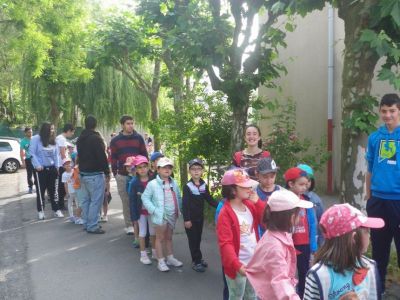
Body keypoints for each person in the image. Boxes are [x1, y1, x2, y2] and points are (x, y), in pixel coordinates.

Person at [304, 204, 384, 300]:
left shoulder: (369, 267)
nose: (370, 236)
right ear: (354, 238)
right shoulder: (319, 275)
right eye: (367, 231)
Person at [246, 189, 314, 300]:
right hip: (273, 295)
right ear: (291, 218)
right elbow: (280, 280)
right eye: (299, 213)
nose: (301, 216)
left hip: (277, 292)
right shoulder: (274, 246)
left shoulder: (282, 233)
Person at [365, 93, 400, 294]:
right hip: (378, 202)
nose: (388, 115)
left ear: (399, 111)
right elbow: (370, 168)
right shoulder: (374, 138)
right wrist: (369, 196)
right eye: (384, 111)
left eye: (392, 111)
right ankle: (377, 291)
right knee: (379, 251)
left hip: (398, 201)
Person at [216, 168, 266, 300]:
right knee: (236, 296)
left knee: (252, 296)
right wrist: (237, 266)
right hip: (237, 266)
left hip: (253, 263)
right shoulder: (225, 214)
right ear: (233, 190)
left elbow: (266, 222)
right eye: (245, 186)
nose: (250, 188)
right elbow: (226, 244)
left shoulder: (250, 205)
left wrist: (259, 203)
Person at [141, 157, 183, 272]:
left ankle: (170, 258)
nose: (167, 169)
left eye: (169, 167)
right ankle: (161, 261)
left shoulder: (174, 183)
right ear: (158, 169)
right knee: (160, 238)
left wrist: (179, 210)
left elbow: (178, 197)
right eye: (164, 167)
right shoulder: (152, 184)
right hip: (160, 216)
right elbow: (145, 198)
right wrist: (153, 210)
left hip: (172, 215)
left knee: (169, 237)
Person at [110, 115, 148, 235]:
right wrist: (115, 173)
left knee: (140, 199)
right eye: (128, 123)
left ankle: (142, 223)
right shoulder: (115, 141)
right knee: (126, 201)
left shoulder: (139, 138)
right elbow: (113, 158)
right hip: (122, 175)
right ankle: (129, 225)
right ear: (122, 125)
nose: (130, 125)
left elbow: (145, 155)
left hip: (138, 175)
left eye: (132, 123)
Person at [284, 167, 318, 299]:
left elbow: (313, 224)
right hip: (288, 244)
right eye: (301, 184)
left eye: (306, 184)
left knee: (304, 273)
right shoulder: (284, 200)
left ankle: (302, 295)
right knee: (288, 274)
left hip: (304, 244)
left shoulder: (306, 201)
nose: (305, 187)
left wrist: (313, 245)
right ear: (291, 184)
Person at [182, 158, 218, 272]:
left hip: (200, 218)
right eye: (193, 169)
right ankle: (195, 261)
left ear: (202, 171)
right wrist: (186, 219)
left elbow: (209, 199)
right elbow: (185, 204)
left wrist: (221, 206)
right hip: (190, 219)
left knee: (198, 239)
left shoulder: (203, 185)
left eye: (198, 169)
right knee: (193, 240)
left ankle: (199, 258)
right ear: (189, 171)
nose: (196, 171)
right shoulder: (187, 186)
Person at [76, 115, 110, 234]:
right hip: (95, 174)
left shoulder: (80, 138)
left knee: (86, 200)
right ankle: (92, 225)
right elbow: (102, 156)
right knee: (96, 201)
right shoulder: (96, 138)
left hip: (83, 174)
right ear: (95, 125)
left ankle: (86, 223)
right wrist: (107, 172)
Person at [30, 122, 63, 220]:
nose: (52, 131)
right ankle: (41, 211)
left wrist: (57, 167)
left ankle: (56, 210)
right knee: (41, 192)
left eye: (53, 129)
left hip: (52, 169)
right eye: (50, 129)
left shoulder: (54, 140)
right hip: (41, 170)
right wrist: (37, 165)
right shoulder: (36, 139)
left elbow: (56, 155)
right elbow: (32, 153)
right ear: (45, 130)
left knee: (54, 191)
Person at [128, 155, 156, 265]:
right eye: (140, 167)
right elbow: (132, 201)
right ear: (136, 169)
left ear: (148, 166)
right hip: (141, 213)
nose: (143, 169)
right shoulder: (134, 183)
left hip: (152, 211)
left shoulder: (153, 180)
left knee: (153, 232)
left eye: (145, 166)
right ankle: (143, 254)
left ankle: (154, 252)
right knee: (143, 232)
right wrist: (134, 216)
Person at [297, 163, 325, 246]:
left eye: (308, 180)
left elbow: (321, 222)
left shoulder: (316, 200)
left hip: (312, 239)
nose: (305, 183)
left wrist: (321, 244)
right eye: (301, 181)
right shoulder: (289, 197)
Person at [254, 157, 282, 236]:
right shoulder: (253, 192)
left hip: (277, 235)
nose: (269, 181)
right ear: (257, 174)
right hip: (258, 235)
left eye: (272, 177)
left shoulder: (282, 193)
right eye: (265, 177)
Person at [56, 123, 75, 211]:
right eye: (72, 132)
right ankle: (60, 204)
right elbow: (63, 154)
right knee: (62, 184)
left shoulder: (60, 138)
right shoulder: (61, 139)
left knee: (63, 183)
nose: (72, 134)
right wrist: (67, 165)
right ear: (68, 131)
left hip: (62, 164)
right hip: (62, 165)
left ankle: (61, 203)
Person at [61, 158, 77, 222]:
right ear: (64, 166)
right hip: (70, 191)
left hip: (76, 190)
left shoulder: (74, 171)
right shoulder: (64, 174)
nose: (68, 165)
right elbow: (65, 184)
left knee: (78, 203)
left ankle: (78, 215)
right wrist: (67, 193)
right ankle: (71, 216)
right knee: (70, 204)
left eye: (69, 163)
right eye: (66, 164)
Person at [20, 127, 34, 193]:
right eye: (29, 132)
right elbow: (21, 152)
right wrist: (23, 162)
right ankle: (30, 187)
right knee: (29, 174)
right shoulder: (23, 141)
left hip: (36, 160)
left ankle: (38, 186)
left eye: (31, 132)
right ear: (25, 133)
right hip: (28, 159)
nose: (30, 133)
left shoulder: (34, 139)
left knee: (37, 173)